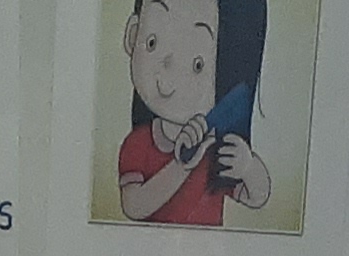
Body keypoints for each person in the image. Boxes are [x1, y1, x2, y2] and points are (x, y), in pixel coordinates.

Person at [113, 0, 268, 224]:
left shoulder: (215, 148)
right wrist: (182, 165)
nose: (167, 80)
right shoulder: (138, 143)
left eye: (197, 65)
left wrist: (249, 168)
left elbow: (256, 198)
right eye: (152, 43)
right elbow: (133, 206)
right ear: (133, 34)